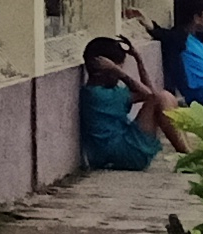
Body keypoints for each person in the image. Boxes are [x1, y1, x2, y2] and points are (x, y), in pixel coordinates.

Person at [77, 35, 194, 169]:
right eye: (118, 69)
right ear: (103, 70)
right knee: (163, 97)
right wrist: (120, 72)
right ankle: (186, 154)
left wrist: (139, 60)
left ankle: (188, 151)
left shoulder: (103, 91)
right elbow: (150, 95)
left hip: (121, 148)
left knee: (167, 98)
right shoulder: (98, 95)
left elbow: (150, 94)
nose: (119, 74)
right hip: (120, 152)